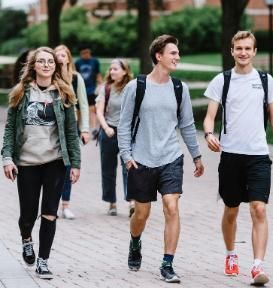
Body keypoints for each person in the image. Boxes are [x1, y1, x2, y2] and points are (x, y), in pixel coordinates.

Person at [118, 34, 204, 283]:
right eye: (173, 53)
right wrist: (126, 155)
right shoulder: (136, 87)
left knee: (171, 206)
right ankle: (135, 242)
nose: (178, 57)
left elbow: (187, 125)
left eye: (177, 53)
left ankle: (167, 263)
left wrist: (196, 155)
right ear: (159, 56)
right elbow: (124, 125)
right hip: (141, 159)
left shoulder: (180, 88)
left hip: (170, 157)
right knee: (141, 215)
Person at [203, 31, 273, 286]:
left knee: (259, 208)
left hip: (259, 155)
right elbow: (210, 116)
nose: (243, 52)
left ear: (254, 51)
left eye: (247, 48)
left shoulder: (264, 80)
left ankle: (257, 265)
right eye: (238, 48)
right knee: (231, 210)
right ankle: (230, 254)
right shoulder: (222, 80)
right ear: (232, 51)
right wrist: (207, 134)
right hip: (231, 156)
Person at [1, 47, 81, 279]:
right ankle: (27, 239)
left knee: (49, 213)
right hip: (26, 163)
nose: (46, 65)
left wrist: (75, 164)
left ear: (55, 66)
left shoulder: (64, 94)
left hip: (55, 162)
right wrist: (7, 158)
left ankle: (43, 261)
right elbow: (9, 130)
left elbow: (71, 133)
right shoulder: (20, 93)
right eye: (41, 61)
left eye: (50, 62)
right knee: (28, 214)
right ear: (33, 65)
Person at [55, 44, 89, 219]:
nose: (60, 57)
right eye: (57, 55)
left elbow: (83, 104)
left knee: (68, 166)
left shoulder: (76, 78)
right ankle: (51, 204)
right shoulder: (50, 78)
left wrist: (85, 129)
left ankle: (65, 205)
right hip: (52, 128)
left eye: (63, 55)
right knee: (53, 165)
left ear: (68, 58)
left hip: (71, 128)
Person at [96, 58, 134, 217]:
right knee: (108, 170)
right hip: (109, 132)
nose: (112, 72)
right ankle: (111, 202)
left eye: (115, 69)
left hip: (127, 134)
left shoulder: (132, 88)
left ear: (125, 71)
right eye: (110, 69)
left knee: (130, 168)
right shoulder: (105, 88)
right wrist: (106, 128)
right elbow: (99, 111)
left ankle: (132, 201)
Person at [75, 45, 102, 139]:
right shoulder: (78, 62)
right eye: (84, 53)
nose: (86, 54)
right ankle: (77, 128)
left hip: (91, 89)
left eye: (88, 52)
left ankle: (94, 129)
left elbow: (98, 74)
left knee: (92, 109)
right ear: (81, 53)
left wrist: (100, 86)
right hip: (80, 90)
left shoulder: (95, 61)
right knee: (79, 110)